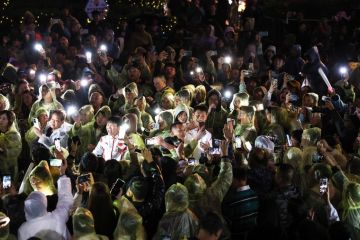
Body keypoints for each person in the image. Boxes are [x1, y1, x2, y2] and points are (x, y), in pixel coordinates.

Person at [17, 158, 73, 240]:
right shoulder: (57, 218)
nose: (35, 184)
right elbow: (66, 200)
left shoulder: (23, 230)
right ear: (44, 203)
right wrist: (62, 173)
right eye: (33, 182)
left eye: (38, 181)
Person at [223, 167, 259, 239]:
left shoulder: (231, 199)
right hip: (252, 233)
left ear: (235, 180)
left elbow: (227, 221)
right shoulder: (255, 195)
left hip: (236, 235)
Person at [0, 110, 22, 178]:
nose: (0, 120)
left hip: (8, 169)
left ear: (9, 121)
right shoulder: (1, 133)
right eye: (0, 118)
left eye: (4, 119)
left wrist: (3, 150)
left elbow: (15, 152)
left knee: (6, 186)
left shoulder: (14, 135)